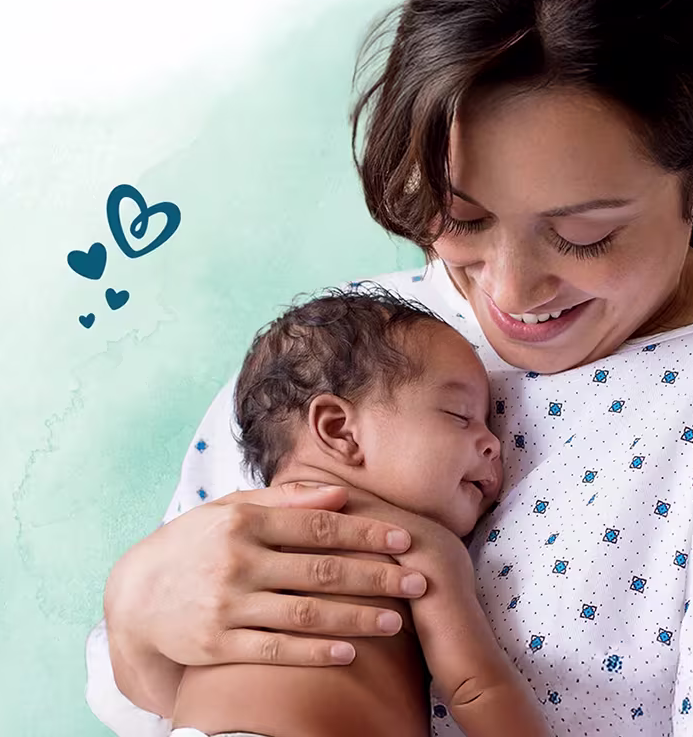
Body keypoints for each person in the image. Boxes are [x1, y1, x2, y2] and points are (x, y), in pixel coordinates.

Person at [87, 0, 693, 734]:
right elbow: (153, 699)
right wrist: (132, 619)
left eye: (585, 233)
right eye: (462, 218)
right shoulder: (344, 344)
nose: (512, 293)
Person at [170, 288, 547, 737]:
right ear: (339, 430)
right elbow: (477, 688)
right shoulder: (412, 541)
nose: (493, 443)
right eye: (459, 415)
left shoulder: (224, 532)